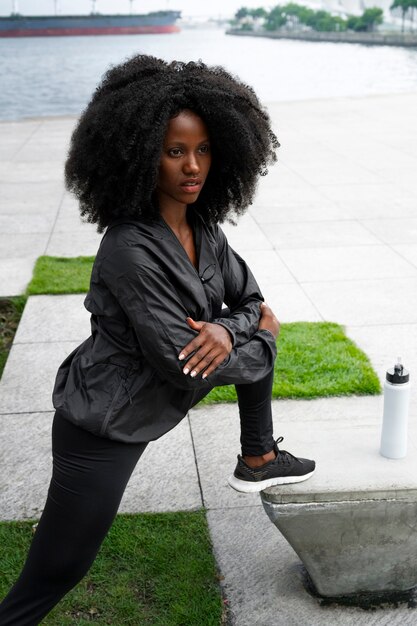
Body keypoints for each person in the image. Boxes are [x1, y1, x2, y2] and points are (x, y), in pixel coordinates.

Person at [0, 55, 315, 624]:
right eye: (174, 152)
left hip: (163, 387)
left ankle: (258, 454)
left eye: (203, 151)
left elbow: (252, 302)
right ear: (142, 155)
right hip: (104, 423)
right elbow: (185, 364)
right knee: (56, 571)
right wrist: (258, 335)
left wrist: (228, 327)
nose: (192, 167)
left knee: (250, 340)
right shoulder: (128, 248)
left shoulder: (206, 231)